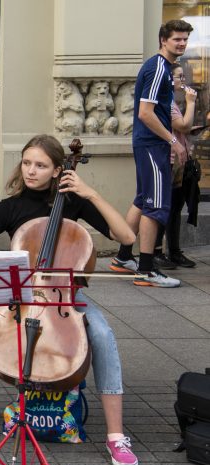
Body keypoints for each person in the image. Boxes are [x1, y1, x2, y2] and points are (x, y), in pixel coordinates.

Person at [0, 134, 140, 465]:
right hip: (21, 294)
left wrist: (90, 193)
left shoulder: (74, 203)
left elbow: (127, 237)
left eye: (40, 165)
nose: (31, 170)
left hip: (64, 296)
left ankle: (116, 436)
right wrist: (4, 255)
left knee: (102, 336)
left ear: (58, 170)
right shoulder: (9, 207)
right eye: (27, 163)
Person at [110, 19, 192, 288]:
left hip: (148, 144)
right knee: (156, 206)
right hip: (152, 145)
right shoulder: (158, 67)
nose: (181, 43)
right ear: (163, 40)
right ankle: (146, 269)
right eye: (177, 39)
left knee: (144, 200)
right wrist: (174, 141)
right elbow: (146, 113)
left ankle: (124, 258)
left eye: (184, 39)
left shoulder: (163, 68)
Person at [154, 62, 198, 270]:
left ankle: (174, 251)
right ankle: (157, 252)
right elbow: (182, 125)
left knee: (176, 207)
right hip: (170, 159)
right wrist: (191, 103)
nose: (183, 81)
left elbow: (183, 128)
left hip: (180, 160)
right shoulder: (167, 102)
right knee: (166, 207)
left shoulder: (171, 101)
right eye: (180, 77)